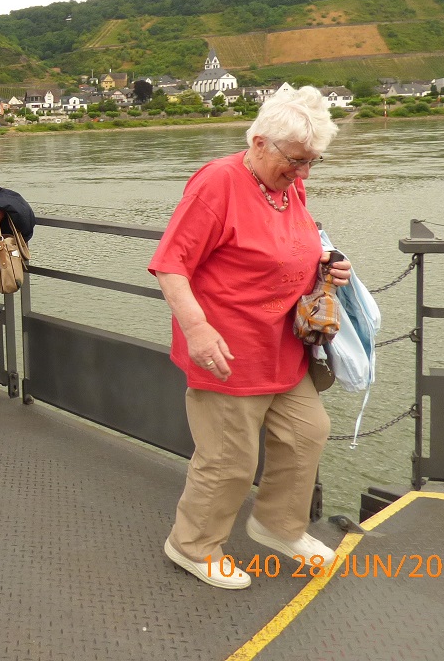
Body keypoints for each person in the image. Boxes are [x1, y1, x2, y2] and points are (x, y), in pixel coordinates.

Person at [149, 86, 351, 590]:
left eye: (312, 163)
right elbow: (170, 264)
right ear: (260, 142)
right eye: (297, 161)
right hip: (227, 348)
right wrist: (196, 328)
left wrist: (325, 265)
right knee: (229, 461)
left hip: (282, 345)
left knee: (307, 432)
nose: (304, 173)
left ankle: (278, 525)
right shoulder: (217, 184)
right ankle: (191, 544)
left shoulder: (288, 185)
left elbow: (290, 243)